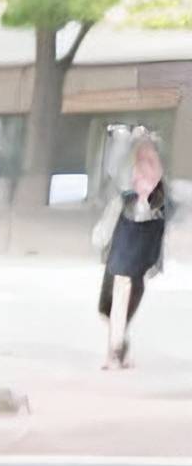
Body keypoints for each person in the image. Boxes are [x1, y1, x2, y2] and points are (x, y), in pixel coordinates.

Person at [93, 128, 169, 369]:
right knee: (110, 304)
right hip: (124, 246)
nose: (143, 172)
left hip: (139, 251)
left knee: (123, 296)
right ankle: (117, 349)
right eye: (140, 165)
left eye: (150, 164)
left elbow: (158, 235)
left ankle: (116, 349)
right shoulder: (125, 198)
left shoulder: (160, 204)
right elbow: (116, 177)